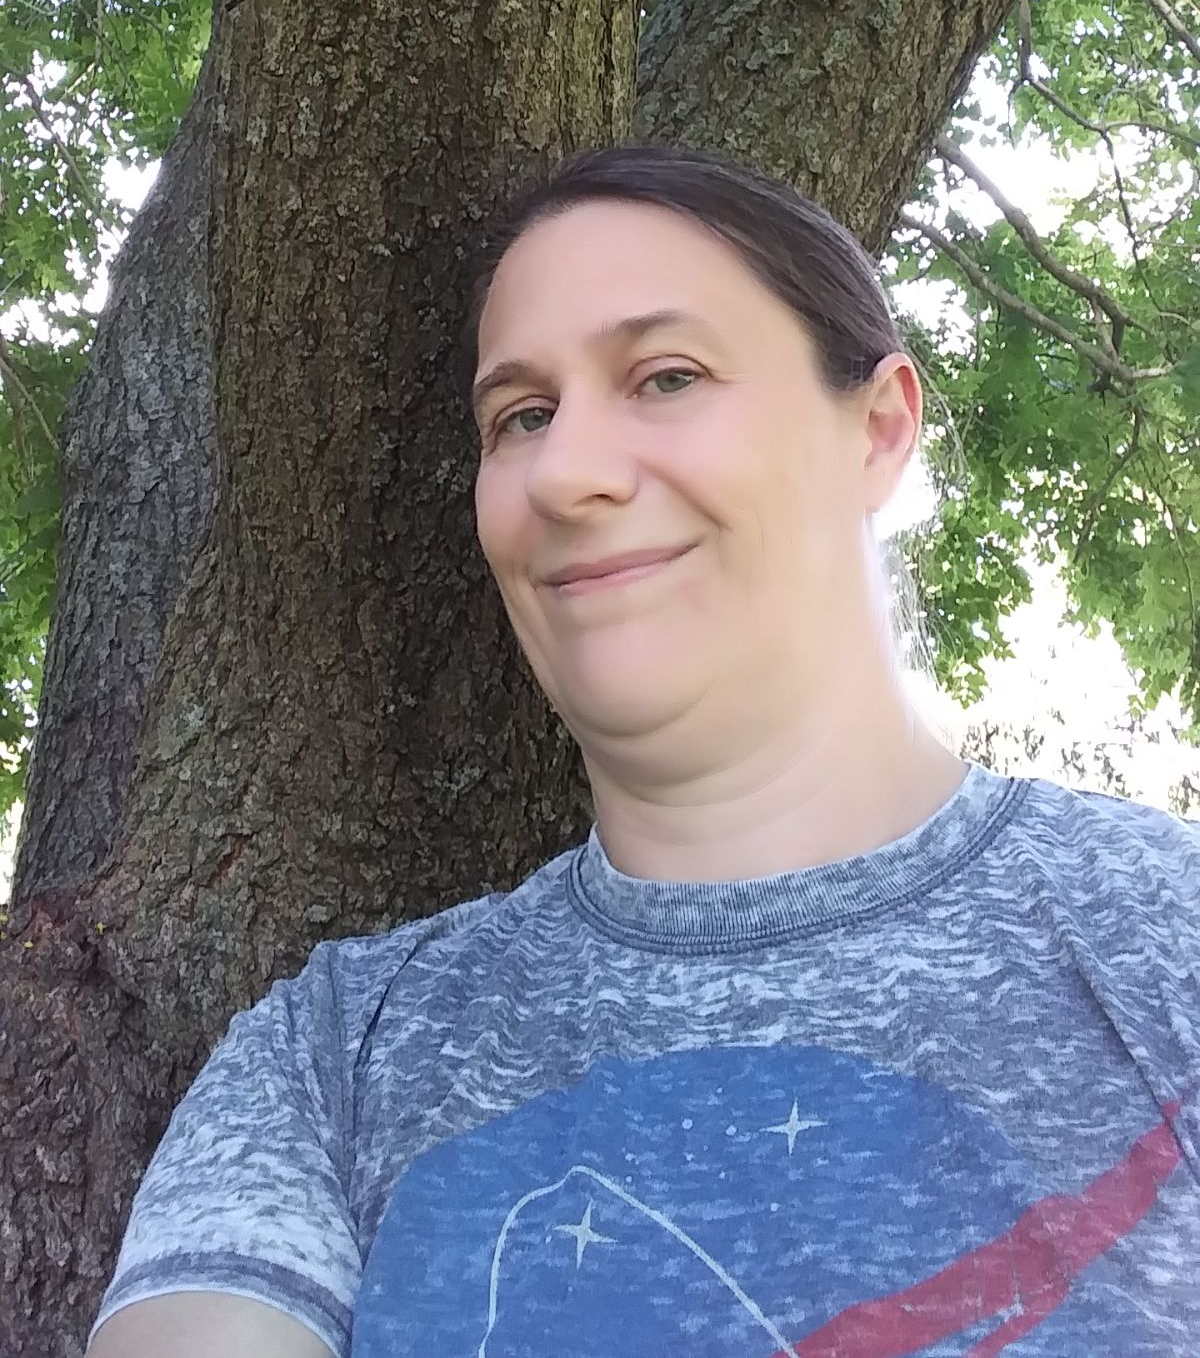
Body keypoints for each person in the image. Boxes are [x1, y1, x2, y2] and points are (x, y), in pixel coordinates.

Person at [90, 143, 1200, 1357]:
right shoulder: (334, 1058)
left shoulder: (1165, 936)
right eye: (521, 415)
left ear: (878, 429)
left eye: (666, 377)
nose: (566, 473)